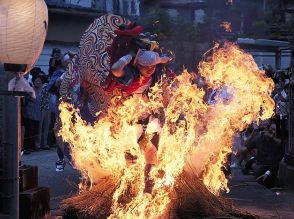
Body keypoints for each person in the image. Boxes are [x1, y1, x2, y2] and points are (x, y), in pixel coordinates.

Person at [110, 49, 171, 193]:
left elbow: (165, 60)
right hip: (130, 121)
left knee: (151, 152)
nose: (150, 69)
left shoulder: (157, 78)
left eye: (153, 66)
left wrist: (160, 59)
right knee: (130, 157)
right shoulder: (130, 75)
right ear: (138, 65)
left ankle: (148, 189)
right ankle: (129, 189)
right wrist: (129, 56)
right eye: (146, 66)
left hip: (151, 119)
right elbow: (115, 69)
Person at [243, 122, 284, 188]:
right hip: (260, 166)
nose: (273, 132)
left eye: (276, 130)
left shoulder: (278, 143)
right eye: (272, 130)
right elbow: (247, 145)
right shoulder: (260, 138)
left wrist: (267, 173)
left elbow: (277, 162)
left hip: (270, 169)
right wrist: (254, 132)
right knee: (250, 165)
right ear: (267, 130)